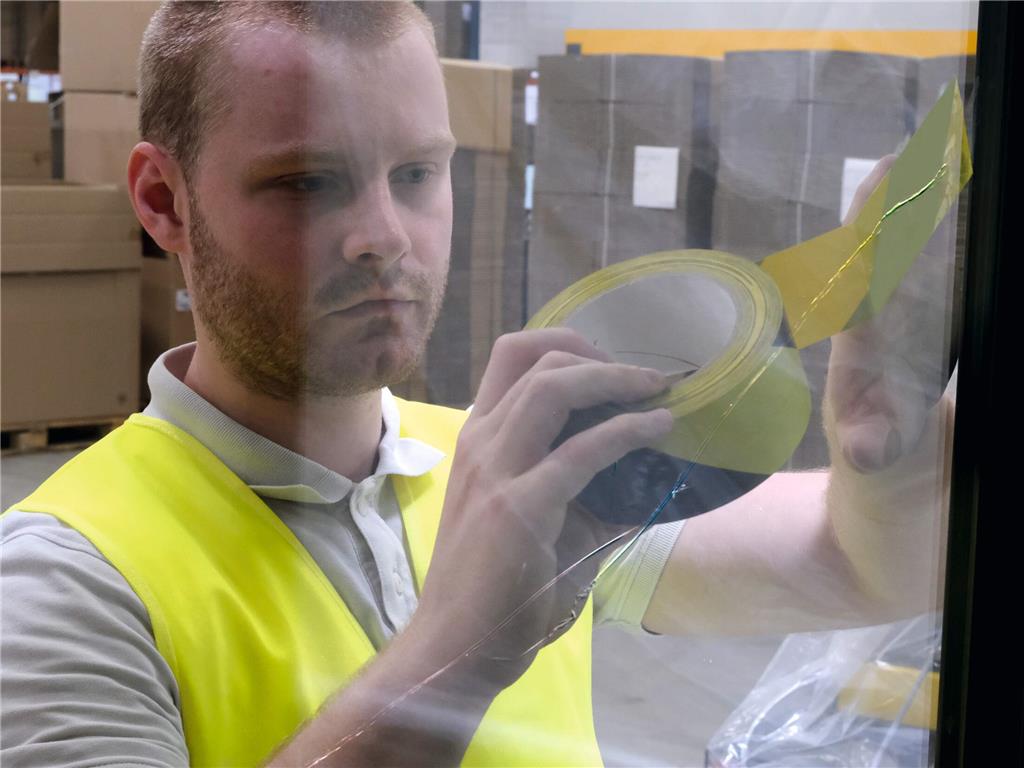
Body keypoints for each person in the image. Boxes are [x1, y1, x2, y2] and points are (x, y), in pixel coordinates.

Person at [0, 2, 954, 766]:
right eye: (307, 183)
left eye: (417, 173)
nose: (385, 236)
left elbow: (862, 567)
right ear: (162, 201)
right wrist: (461, 649)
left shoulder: (508, 466)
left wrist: (889, 454)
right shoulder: (63, 582)